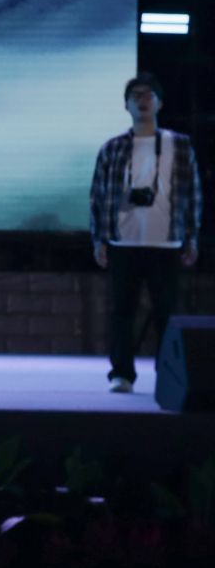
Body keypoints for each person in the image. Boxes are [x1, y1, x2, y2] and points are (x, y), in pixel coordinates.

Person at [91, 73, 202, 393]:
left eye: (148, 94)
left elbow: (193, 192)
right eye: (135, 95)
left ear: (160, 103)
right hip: (122, 241)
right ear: (126, 105)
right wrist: (99, 239)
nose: (142, 100)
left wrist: (192, 236)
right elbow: (97, 195)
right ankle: (122, 374)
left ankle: (168, 374)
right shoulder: (112, 147)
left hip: (166, 241)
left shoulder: (179, 145)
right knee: (121, 312)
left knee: (167, 313)